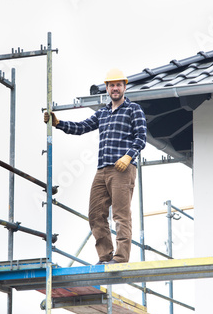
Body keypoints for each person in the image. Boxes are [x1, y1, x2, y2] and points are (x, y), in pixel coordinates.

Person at [44, 68, 147, 264]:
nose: (115, 88)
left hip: (122, 170)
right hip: (102, 170)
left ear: (124, 87)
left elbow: (141, 138)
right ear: (107, 89)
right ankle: (104, 256)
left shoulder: (134, 110)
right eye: (111, 85)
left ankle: (121, 258)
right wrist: (58, 123)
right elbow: (81, 127)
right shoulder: (103, 113)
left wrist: (128, 157)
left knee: (121, 215)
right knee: (95, 214)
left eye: (118, 85)